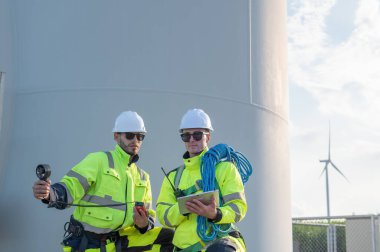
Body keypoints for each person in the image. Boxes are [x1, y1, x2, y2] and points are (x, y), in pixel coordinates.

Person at [33, 111, 174, 252]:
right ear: (116, 136)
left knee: (169, 237)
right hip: (88, 244)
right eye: (130, 135)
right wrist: (49, 194)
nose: (135, 140)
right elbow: (71, 186)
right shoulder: (99, 160)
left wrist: (143, 224)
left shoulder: (143, 177)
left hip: (118, 243)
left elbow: (148, 218)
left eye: (140, 136)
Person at [156, 108, 247, 252]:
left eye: (197, 135)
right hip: (185, 247)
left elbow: (238, 208)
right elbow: (163, 216)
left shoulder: (224, 169)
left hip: (220, 240)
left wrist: (215, 214)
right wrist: (183, 207)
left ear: (208, 137)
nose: (191, 140)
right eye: (186, 136)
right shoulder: (173, 177)